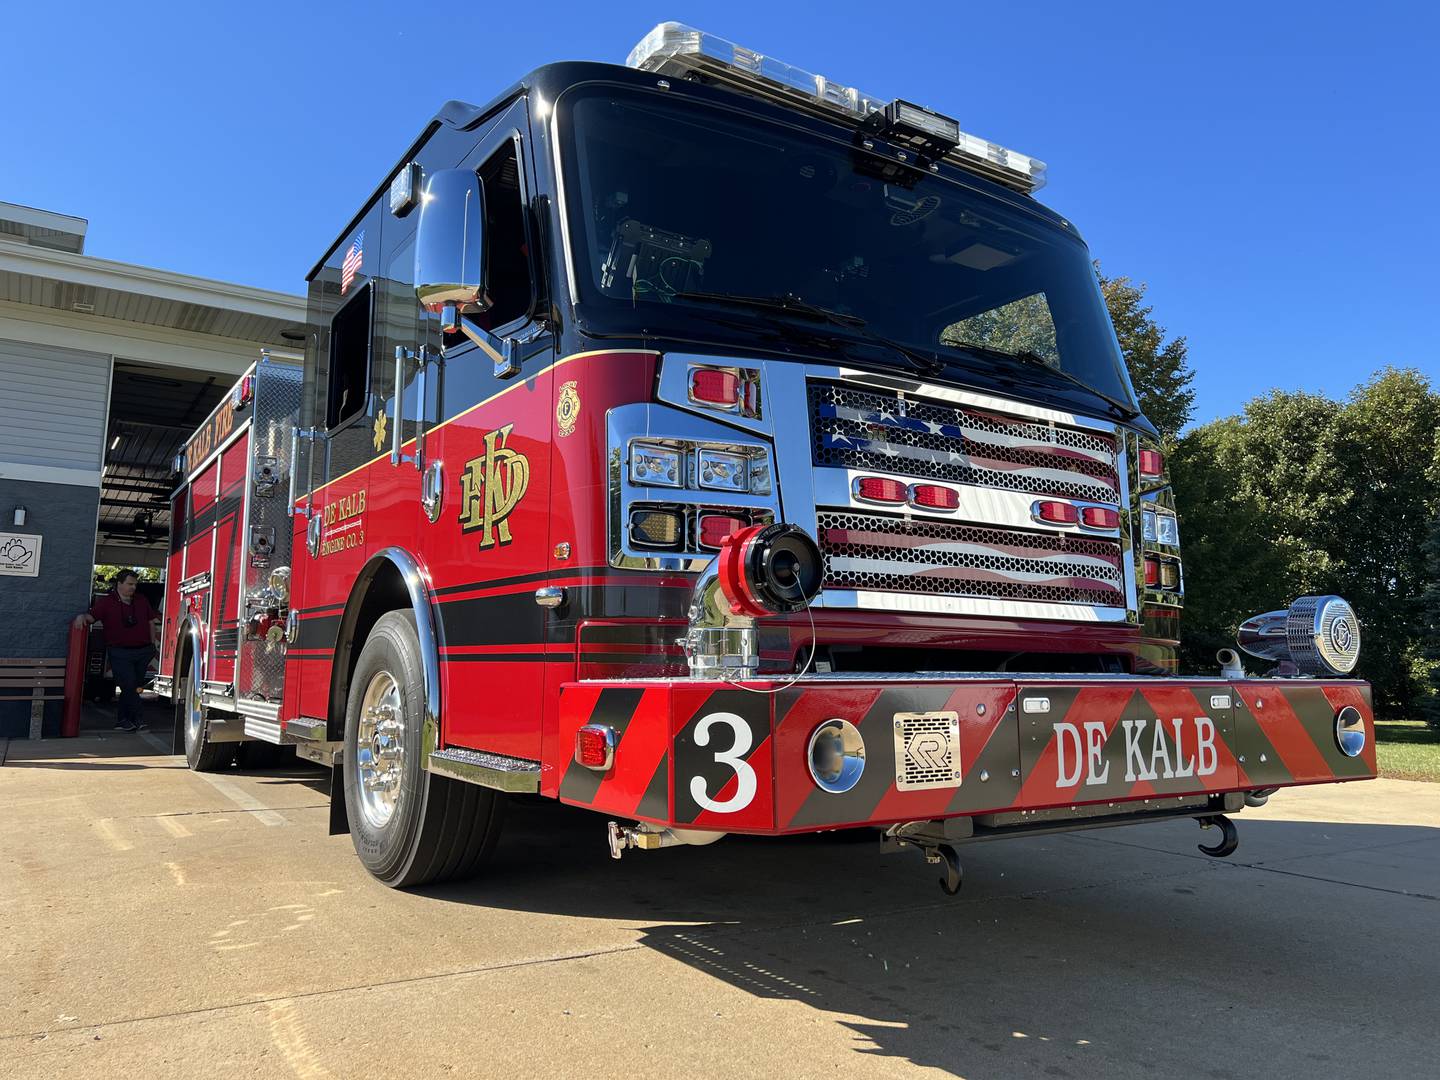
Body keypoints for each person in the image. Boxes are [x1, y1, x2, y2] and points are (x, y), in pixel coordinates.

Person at [75, 570, 161, 732]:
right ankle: (139, 719)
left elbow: (151, 622)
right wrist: (81, 617)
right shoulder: (107, 602)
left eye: (135, 584)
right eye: (129, 584)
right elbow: (91, 617)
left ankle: (123, 721)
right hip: (120, 652)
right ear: (119, 584)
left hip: (143, 651)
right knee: (128, 684)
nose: (133, 588)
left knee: (134, 686)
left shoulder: (141, 600)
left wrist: (151, 646)